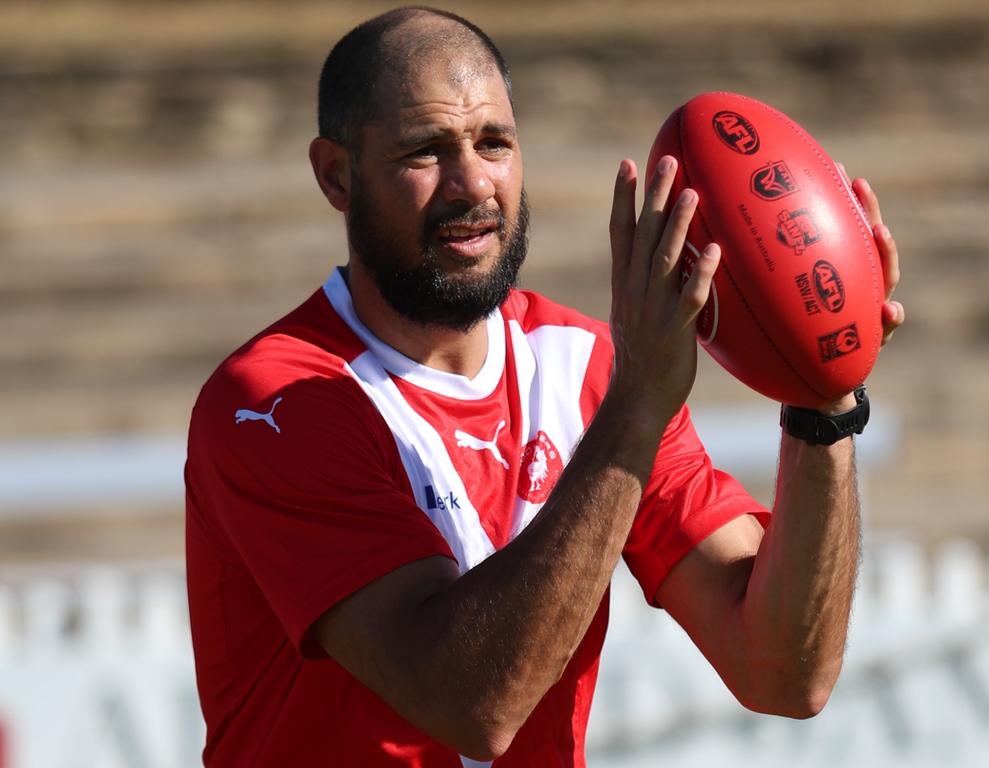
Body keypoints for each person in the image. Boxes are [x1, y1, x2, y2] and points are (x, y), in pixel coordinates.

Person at [184, 6, 905, 767]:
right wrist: (633, 411)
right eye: (426, 150)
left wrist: (822, 400)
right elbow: (473, 702)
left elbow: (783, 674)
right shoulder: (274, 402)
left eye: (494, 142)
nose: (472, 184)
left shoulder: (587, 367)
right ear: (337, 174)